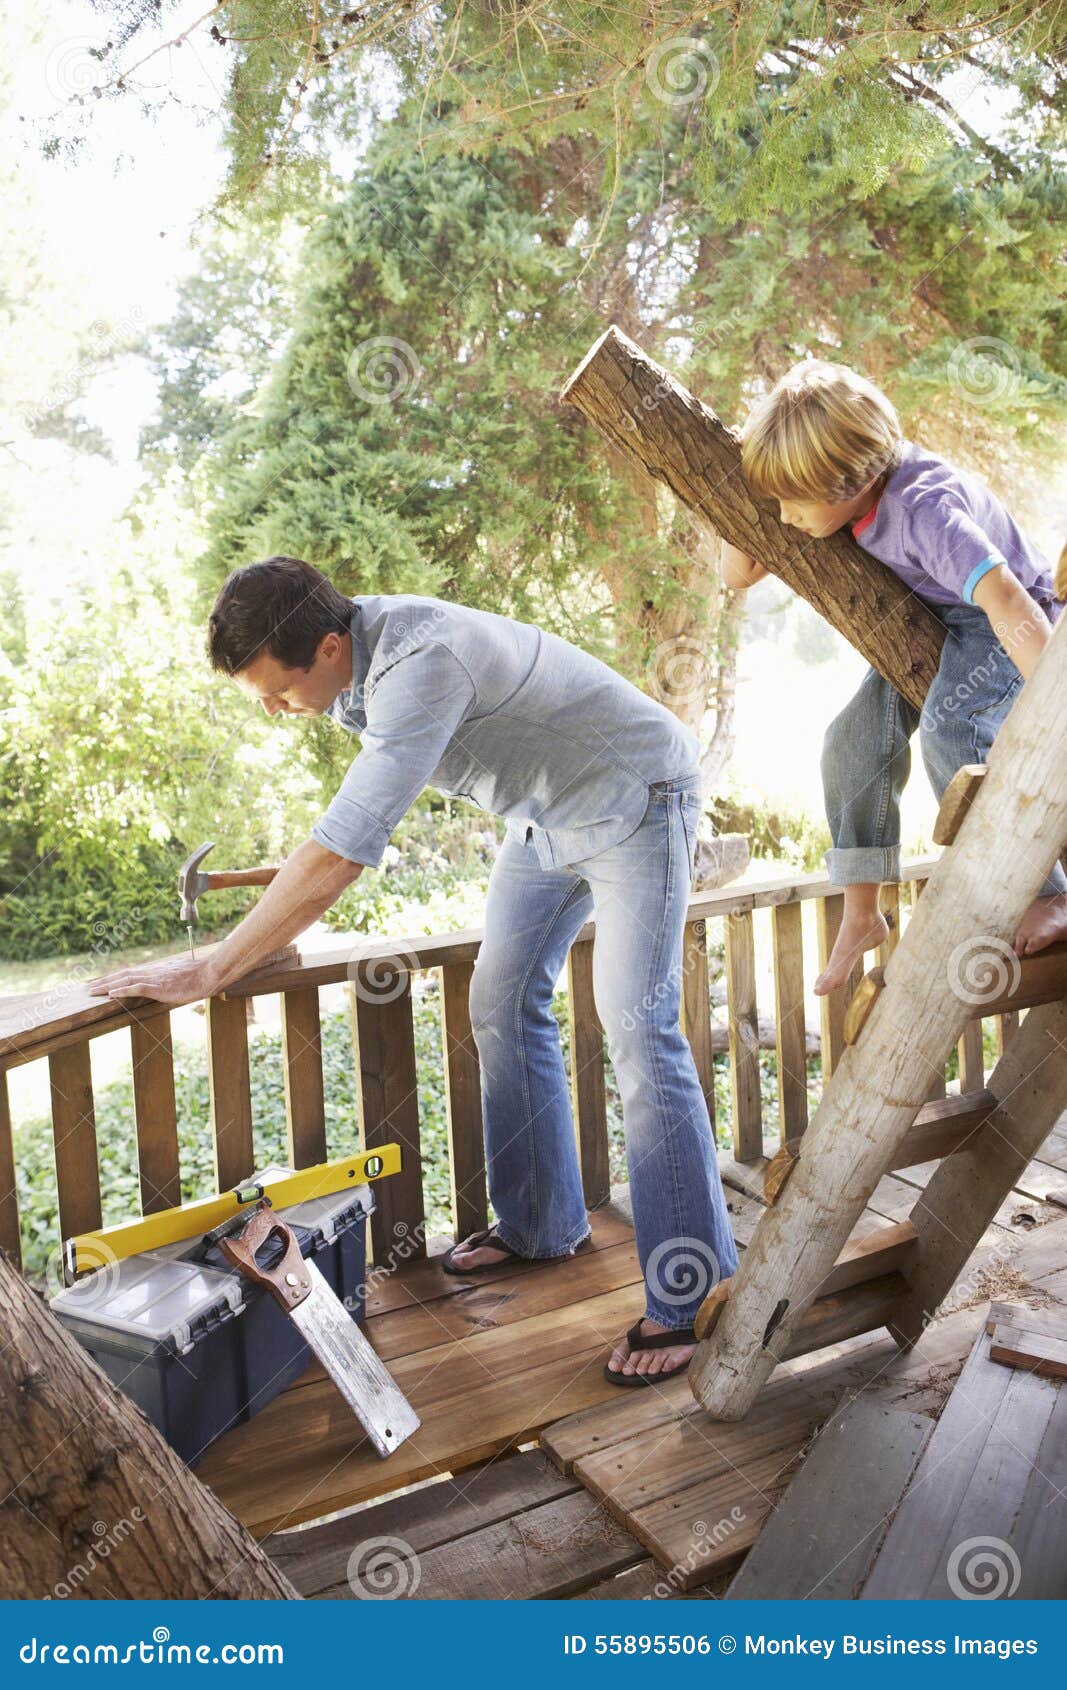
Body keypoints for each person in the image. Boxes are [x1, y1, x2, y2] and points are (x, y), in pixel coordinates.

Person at [91, 556, 739, 1385]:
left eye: (276, 690)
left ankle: (691, 1296)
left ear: (327, 647)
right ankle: (542, 1225)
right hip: (542, 820)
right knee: (500, 1004)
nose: (272, 708)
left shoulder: (422, 662)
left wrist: (212, 969)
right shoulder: (353, 666)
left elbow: (341, 855)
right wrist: (273, 904)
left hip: (636, 799)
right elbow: (350, 824)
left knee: (639, 1031)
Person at [721, 360, 1067, 993]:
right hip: (939, 618)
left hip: (1005, 621)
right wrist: (753, 484)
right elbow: (737, 573)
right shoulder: (840, 491)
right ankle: (862, 912)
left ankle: (1050, 894)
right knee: (850, 741)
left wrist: (1055, 705)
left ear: (850, 479)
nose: (785, 515)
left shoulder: (923, 510)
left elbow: (1009, 601)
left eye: (794, 501)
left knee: (951, 731)